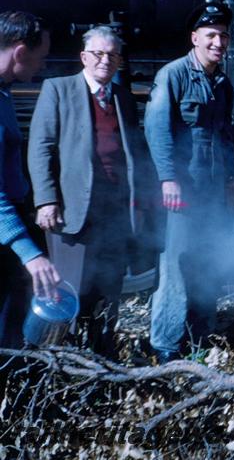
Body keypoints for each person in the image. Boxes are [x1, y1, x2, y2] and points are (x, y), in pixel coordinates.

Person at [28, 26, 150, 356]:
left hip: (115, 211)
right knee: (69, 291)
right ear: (84, 57)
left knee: (108, 290)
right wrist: (46, 199)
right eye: (98, 54)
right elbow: (41, 147)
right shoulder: (58, 89)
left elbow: (132, 152)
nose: (105, 61)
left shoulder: (122, 97)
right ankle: (57, 364)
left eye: (112, 55)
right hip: (73, 212)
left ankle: (102, 360)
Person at [144, 1, 234, 364]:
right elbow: (157, 130)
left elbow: (224, 135)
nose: (219, 42)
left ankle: (198, 336)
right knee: (176, 263)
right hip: (184, 190)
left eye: (224, 36)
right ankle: (165, 346)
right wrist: (168, 178)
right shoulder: (172, 75)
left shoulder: (222, 83)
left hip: (213, 189)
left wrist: (232, 180)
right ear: (195, 37)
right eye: (212, 35)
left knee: (207, 260)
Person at [0, 10, 60, 348]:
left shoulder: (4, 92)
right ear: (20, 52)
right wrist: (30, 254)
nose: (43, 66)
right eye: (40, 58)